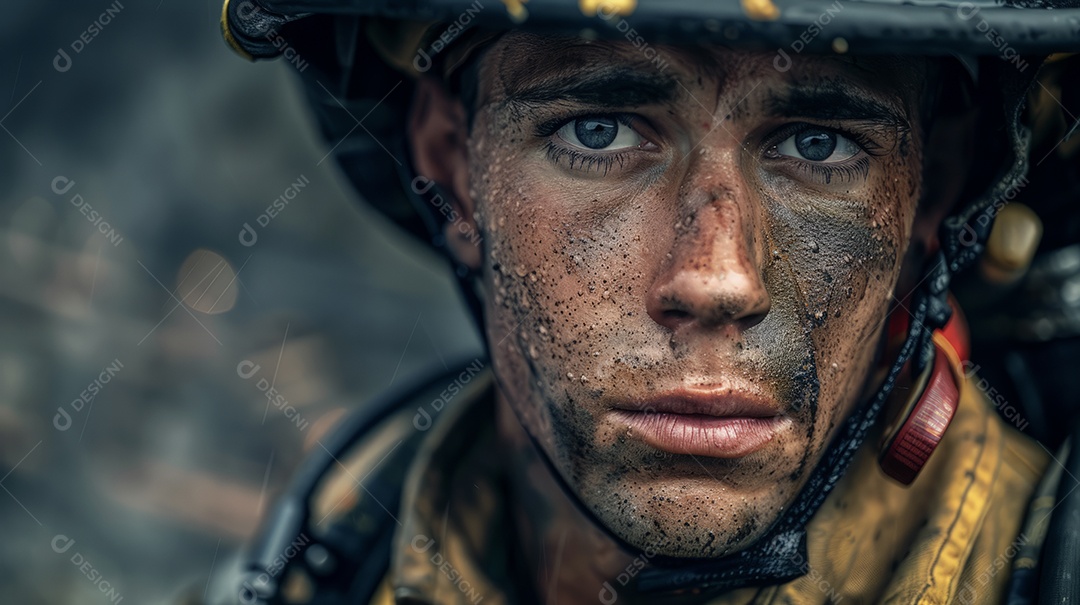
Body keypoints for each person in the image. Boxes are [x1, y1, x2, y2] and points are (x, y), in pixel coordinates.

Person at [202, 1, 1080, 603]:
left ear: (936, 191)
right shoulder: (312, 575)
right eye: (601, 130)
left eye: (818, 145)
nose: (717, 279)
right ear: (452, 163)